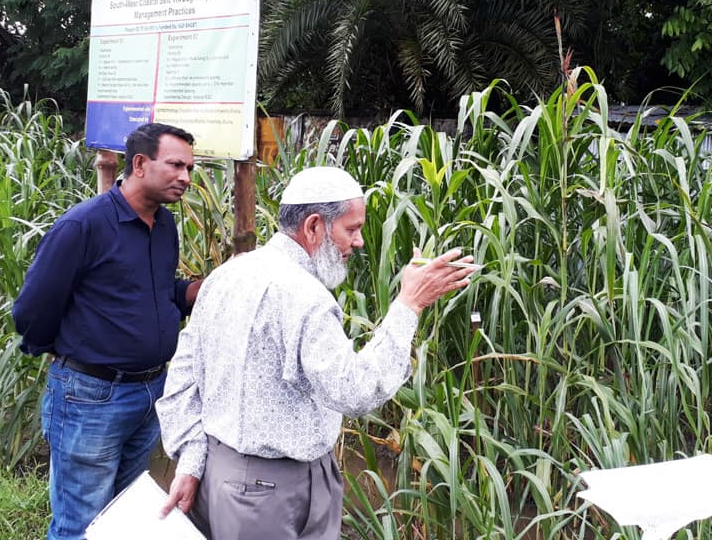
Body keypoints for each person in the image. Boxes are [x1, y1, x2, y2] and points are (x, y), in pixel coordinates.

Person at [156, 166, 477, 539]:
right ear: (313, 227)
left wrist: (190, 464)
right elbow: (354, 391)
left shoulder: (227, 274)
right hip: (270, 493)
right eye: (351, 229)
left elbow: (181, 377)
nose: (358, 243)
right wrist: (409, 304)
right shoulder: (305, 298)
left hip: (227, 475)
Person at [12, 122, 203, 540]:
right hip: (90, 397)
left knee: (123, 517)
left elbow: (154, 294)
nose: (186, 177)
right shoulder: (84, 225)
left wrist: (196, 292)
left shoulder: (164, 225)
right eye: (175, 165)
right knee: (80, 523)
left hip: (151, 391)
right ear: (138, 163)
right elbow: (32, 308)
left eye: (189, 167)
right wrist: (68, 356)